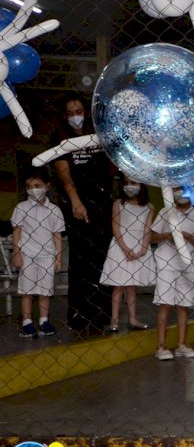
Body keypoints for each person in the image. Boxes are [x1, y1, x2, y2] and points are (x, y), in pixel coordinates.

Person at [51, 92, 115, 333]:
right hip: (78, 203)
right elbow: (64, 175)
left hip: (103, 203)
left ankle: (101, 314)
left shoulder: (96, 135)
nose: (76, 117)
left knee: (102, 258)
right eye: (70, 113)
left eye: (79, 111)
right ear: (64, 116)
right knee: (81, 260)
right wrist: (76, 201)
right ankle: (79, 314)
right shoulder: (60, 138)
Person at [150, 188, 194, 360]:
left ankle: (181, 344)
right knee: (165, 304)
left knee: (183, 305)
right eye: (176, 189)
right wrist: (166, 235)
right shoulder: (165, 211)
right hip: (166, 262)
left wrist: (187, 236)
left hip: (186, 264)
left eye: (183, 189)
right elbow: (152, 237)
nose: (179, 193)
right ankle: (161, 346)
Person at [11, 169, 65, 338]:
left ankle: (43, 321)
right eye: (29, 186)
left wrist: (58, 257)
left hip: (47, 255)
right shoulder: (21, 207)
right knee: (26, 290)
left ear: (47, 186)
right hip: (27, 254)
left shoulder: (54, 210)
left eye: (37, 185)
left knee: (45, 290)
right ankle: (27, 322)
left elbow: (57, 235)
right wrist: (17, 253)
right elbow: (17, 232)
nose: (33, 189)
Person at [99, 176, 155, 332]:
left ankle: (132, 319)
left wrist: (143, 247)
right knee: (119, 285)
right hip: (121, 245)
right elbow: (116, 227)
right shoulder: (119, 204)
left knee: (132, 286)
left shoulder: (149, 207)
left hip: (139, 246)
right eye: (127, 183)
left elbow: (147, 228)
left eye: (133, 183)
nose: (129, 186)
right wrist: (125, 248)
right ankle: (114, 320)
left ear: (141, 185)